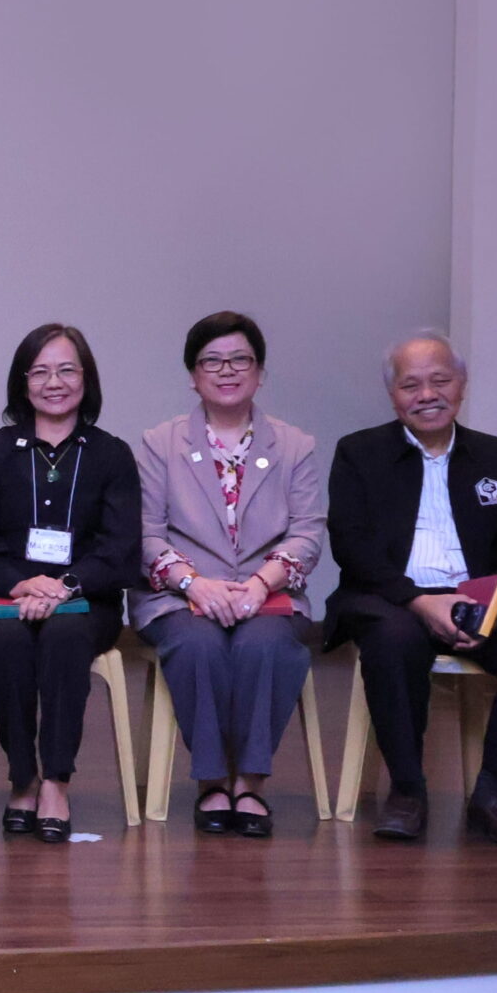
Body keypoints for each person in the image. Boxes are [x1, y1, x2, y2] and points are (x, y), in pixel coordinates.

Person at [327, 333, 497, 846]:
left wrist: (488, 603)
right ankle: (408, 790)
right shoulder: (358, 453)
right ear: (392, 394)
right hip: (395, 598)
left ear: (462, 384)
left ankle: (494, 792)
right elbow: (351, 545)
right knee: (393, 641)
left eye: (440, 381)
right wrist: (418, 600)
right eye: (411, 385)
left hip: (481, 600)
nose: (427, 395)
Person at [135, 311, 324, 838]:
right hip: (181, 595)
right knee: (198, 645)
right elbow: (145, 533)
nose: (226, 370)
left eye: (240, 360)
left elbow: (308, 533)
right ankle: (212, 780)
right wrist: (194, 583)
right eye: (211, 361)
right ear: (193, 375)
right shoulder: (160, 443)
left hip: (267, 592)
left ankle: (251, 781)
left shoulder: (294, 445)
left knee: (265, 646)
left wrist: (261, 584)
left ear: (260, 372)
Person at [0, 323, 142, 840]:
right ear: (22, 382)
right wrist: (21, 585)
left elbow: (120, 547)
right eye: (39, 372)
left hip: (85, 600)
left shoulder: (111, 455)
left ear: (86, 379)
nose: (53, 383)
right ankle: (22, 779)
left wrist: (65, 587)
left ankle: (56, 781)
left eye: (66, 370)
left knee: (64, 636)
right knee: (7, 640)